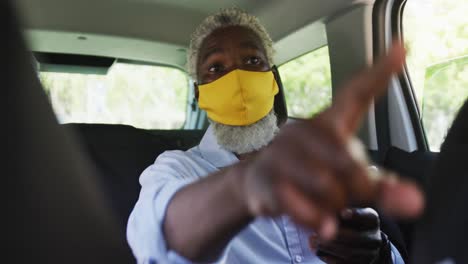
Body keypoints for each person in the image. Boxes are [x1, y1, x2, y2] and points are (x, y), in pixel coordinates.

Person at [127, 8, 423, 264]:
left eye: (253, 61)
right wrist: (247, 184)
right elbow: (156, 236)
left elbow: (374, 240)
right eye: (216, 68)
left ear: (272, 79)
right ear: (199, 93)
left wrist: (379, 251)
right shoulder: (177, 169)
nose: (238, 79)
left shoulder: (321, 155)